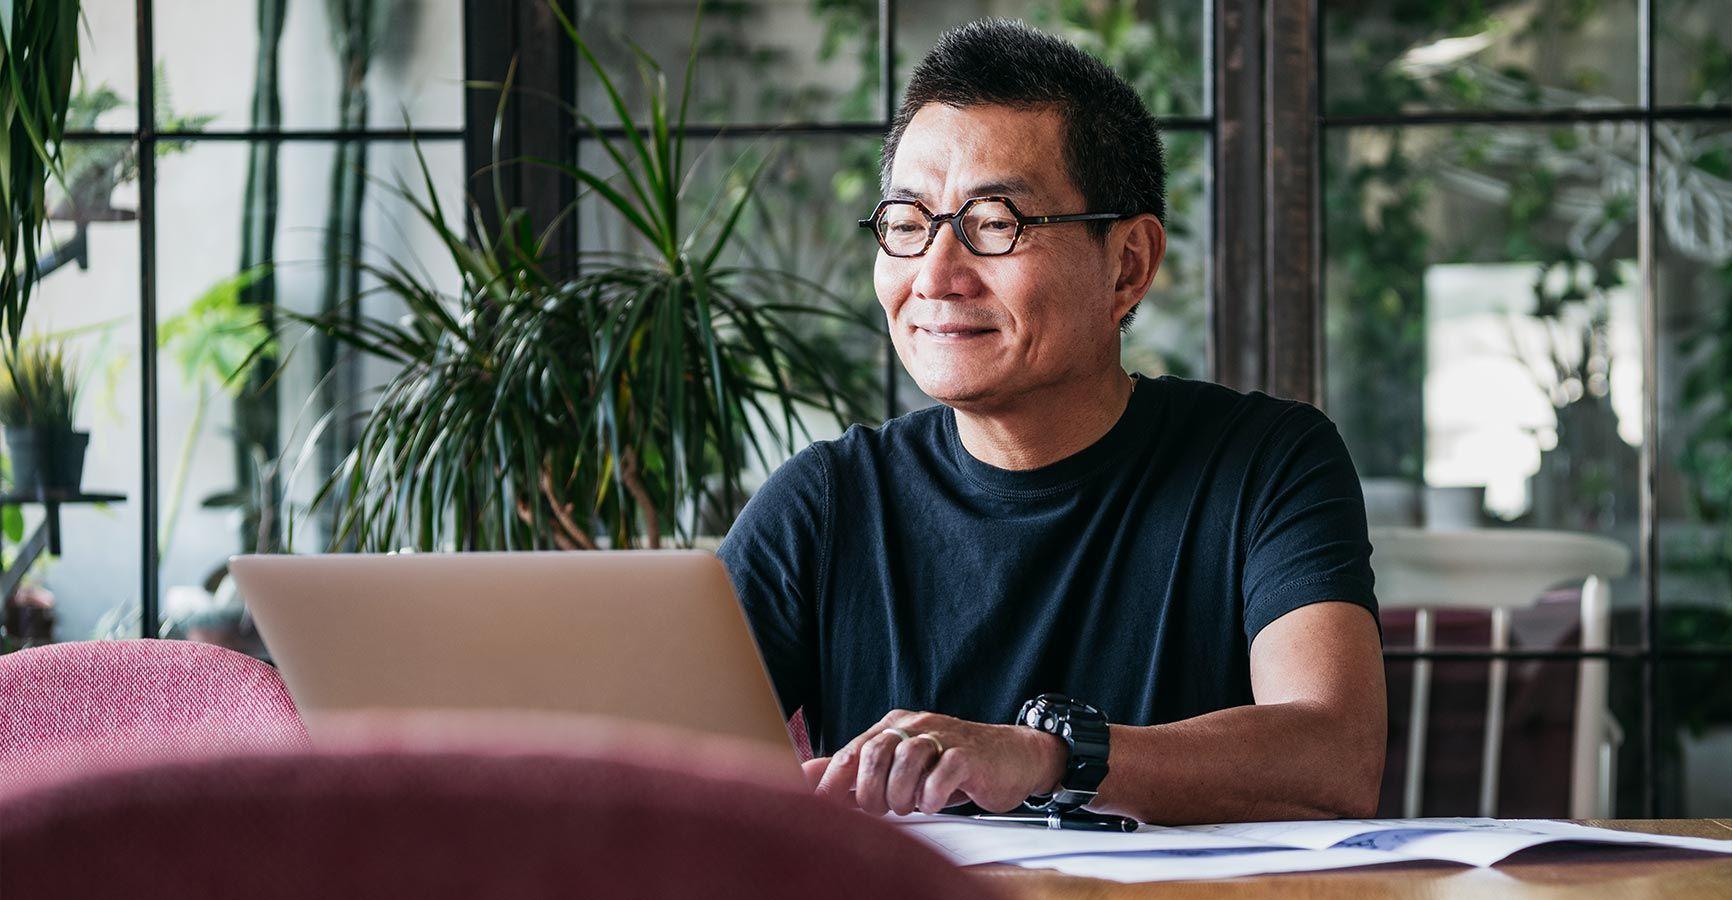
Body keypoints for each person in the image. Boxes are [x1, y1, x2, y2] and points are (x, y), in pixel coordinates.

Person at [716, 18, 1385, 826]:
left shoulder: (1265, 463)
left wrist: (1044, 756)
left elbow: (1332, 757)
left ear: (1127, 264)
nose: (935, 274)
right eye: (907, 222)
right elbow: (646, 766)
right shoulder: (823, 505)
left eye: (995, 222)